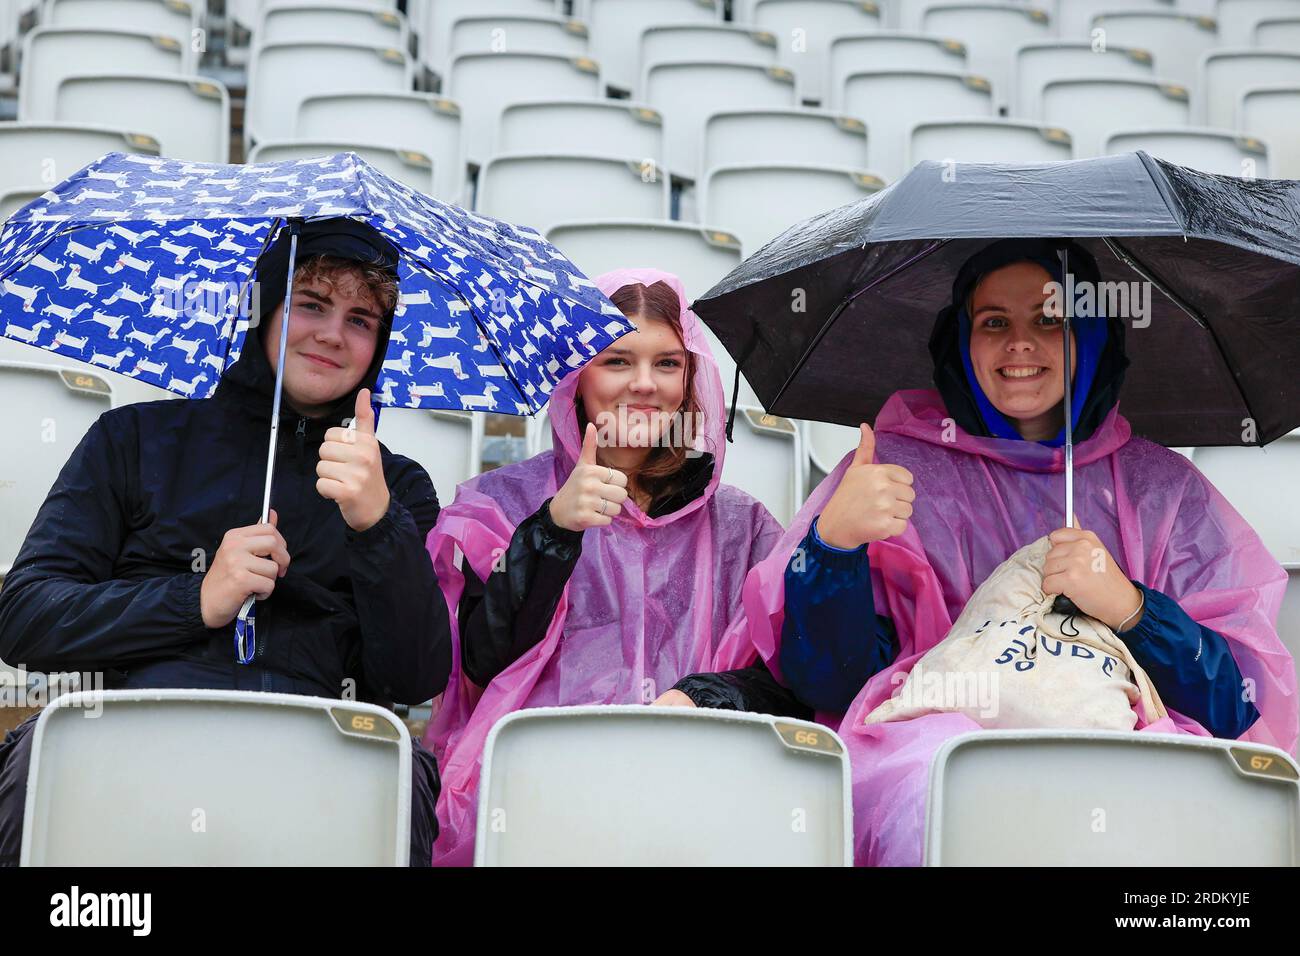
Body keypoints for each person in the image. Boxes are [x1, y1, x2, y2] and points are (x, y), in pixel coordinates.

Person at [738, 238, 1298, 865]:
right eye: (994, 322)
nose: (1020, 343)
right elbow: (831, 686)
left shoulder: (1160, 489)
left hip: (1125, 751)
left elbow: (1235, 703)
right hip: (929, 761)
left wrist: (1133, 610)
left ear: (1089, 335)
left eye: (1050, 319)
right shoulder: (891, 472)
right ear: (962, 341)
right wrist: (833, 547)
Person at [0, 218, 453, 866]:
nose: (331, 333)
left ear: (378, 345)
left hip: (316, 760)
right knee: (41, 753)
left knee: (402, 772)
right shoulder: (132, 439)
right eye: (311, 305)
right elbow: (25, 620)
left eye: (361, 319)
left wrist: (376, 526)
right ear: (266, 309)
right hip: (134, 736)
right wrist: (197, 599)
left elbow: (413, 677)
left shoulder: (394, 484)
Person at [425, 267, 806, 864]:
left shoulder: (741, 525)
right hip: (542, 793)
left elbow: (789, 679)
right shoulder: (503, 504)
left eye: (668, 363)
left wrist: (705, 696)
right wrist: (552, 531)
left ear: (691, 379)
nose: (646, 385)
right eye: (617, 361)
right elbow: (479, 664)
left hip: (702, 785)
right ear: (577, 379)